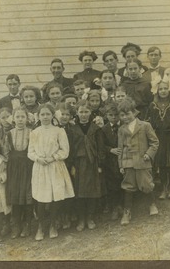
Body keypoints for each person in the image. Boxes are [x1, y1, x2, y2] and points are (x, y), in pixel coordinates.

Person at [28, 104, 74, 241]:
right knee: (41, 198)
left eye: (48, 114)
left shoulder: (59, 131)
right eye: (42, 114)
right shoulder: (34, 132)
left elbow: (65, 150)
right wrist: (38, 159)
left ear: (52, 115)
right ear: (38, 116)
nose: (45, 117)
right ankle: (41, 226)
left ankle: (53, 224)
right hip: (40, 167)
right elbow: (30, 152)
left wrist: (53, 157)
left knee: (55, 197)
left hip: (55, 166)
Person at [118, 97, 159, 226]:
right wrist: (121, 164)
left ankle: (152, 204)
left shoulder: (145, 126)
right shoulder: (121, 130)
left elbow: (155, 142)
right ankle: (127, 211)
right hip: (128, 162)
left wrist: (149, 154)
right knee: (128, 186)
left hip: (143, 161)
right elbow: (120, 148)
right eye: (122, 115)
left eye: (128, 114)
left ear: (134, 112)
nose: (125, 117)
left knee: (146, 184)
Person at [69, 100, 104, 231]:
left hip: (92, 163)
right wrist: (72, 165)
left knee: (92, 191)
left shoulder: (96, 129)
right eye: (81, 112)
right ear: (77, 113)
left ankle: (90, 217)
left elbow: (100, 148)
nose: (84, 115)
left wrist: (100, 164)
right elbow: (70, 149)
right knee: (79, 192)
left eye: (86, 112)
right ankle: (81, 219)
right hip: (78, 164)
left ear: (91, 113)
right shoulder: (73, 130)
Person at [3, 107, 34, 239]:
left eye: (23, 117)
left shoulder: (32, 132)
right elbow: (5, 152)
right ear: (13, 119)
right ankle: (16, 226)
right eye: (17, 117)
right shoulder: (9, 134)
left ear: (27, 119)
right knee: (15, 196)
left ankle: (27, 225)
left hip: (28, 167)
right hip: (14, 168)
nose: (20, 119)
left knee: (27, 195)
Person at [148, 76, 170, 199]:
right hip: (159, 137)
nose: (163, 91)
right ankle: (164, 188)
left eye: (165, 88)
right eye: (160, 89)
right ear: (157, 90)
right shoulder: (153, 105)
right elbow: (150, 122)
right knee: (161, 163)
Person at [101, 102, 123, 220]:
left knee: (124, 182)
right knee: (112, 184)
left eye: (116, 115)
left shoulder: (124, 126)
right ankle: (115, 206)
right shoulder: (104, 129)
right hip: (111, 161)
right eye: (110, 115)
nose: (114, 117)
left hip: (124, 158)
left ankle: (124, 206)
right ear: (106, 116)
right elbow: (101, 145)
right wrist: (110, 150)